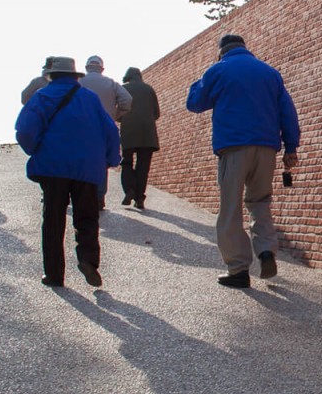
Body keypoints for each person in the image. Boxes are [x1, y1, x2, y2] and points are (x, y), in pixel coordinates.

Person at [185, 34, 300, 288]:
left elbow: (194, 103)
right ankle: (266, 251)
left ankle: (238, 269)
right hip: (267, 148)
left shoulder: (218, 70)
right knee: (260, 202)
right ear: (245, 49)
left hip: (234, 146)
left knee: (231, 208)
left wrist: (202, 78)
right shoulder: (270, 73)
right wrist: (291, 147)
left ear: (221, 51)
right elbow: (287, 112)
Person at [15, 56, 121, 288]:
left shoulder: (42, 96)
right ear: (75, 76)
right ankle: (88, 261)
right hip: (86, 169)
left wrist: (35, 150)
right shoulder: (90, 99)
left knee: (53, 220)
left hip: (52, 168)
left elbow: (24, 130)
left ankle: (54, 275)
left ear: (51, 76)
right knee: (87, 218)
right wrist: (111, 159)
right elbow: (111, 131)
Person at [80, 56, 132, 208]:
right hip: (104, 128)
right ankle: (99, 196)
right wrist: (116, 115)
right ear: (102, 69)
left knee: (81, 161)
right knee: (101, 162)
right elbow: (127, 100)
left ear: (87, 67)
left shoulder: (78, 83)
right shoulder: (111, 83)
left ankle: (82, 195)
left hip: (82, 128)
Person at [118, 66, 161, 210]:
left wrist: (124, 119)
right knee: (143, 166)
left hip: (129, 131)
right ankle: (140, 197)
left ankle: (129, 189)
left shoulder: (123, 88)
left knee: (127, 162)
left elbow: (118, 111)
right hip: (147, 134)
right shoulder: (149, 89)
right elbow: (156, 113)